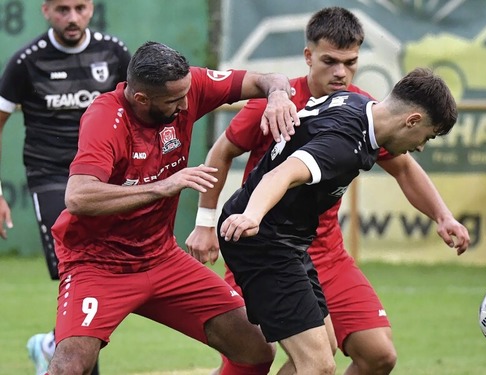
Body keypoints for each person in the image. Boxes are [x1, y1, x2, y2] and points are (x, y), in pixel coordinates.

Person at [186, 7, 466, 375]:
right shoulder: (317, 126)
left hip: (308, 245)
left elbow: (405, 169)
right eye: (330, 61)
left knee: (362, 355)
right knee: (266, 359)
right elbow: (275, 171)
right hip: (262, 238)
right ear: (308, 56)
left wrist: (443, 216)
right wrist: (226, 219)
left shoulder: (361, 105)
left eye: (349, 63)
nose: (340, 72)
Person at [45, 41, 299, 375]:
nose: (185, 105)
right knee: (70, 367)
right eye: (174, 101)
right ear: (141, 99)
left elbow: (268, 78)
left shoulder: (188, 86)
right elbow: (78, 196)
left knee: (255, 349)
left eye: (186, 94)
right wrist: (163, 186)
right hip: (98, 265)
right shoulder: (105, 118)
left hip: (162, 259)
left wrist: (278, 95)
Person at [0, 1, 130, 374]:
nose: (71, 18)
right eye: (62, 9)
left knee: (107, 273)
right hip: (53, 177)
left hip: (105, 177)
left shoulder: (114, 52)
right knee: (82, 270)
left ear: (91, 9)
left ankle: (52, 344)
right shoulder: (27, 61)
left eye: (79, 8)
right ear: (45, 11)